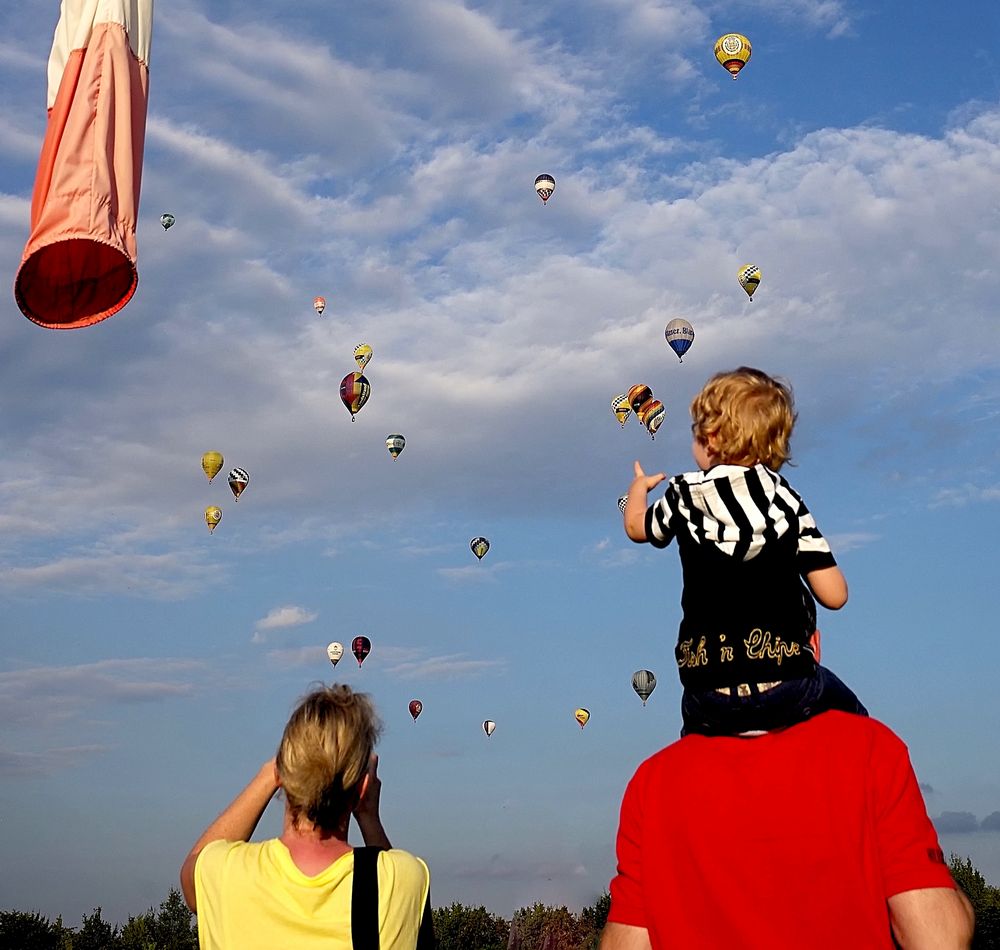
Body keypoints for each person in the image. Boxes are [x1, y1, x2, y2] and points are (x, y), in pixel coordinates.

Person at [623, 366, 866, 735]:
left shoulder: (683, 496)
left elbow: (636, 527)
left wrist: (639, 490)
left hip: (706, 688)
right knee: (856, 721)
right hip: (787, 682)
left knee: (694, 744)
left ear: (712, 439)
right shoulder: (784, 499)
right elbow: (835, 595)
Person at [601, 711, 975, 949]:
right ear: (813, 645)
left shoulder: (652, 782)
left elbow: (627, 941)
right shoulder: (870, 750)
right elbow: (937, 939)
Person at [180, 684, 434, 949]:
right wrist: (369, 816)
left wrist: (269, 774)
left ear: (285, 770)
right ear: (363, 787)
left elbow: (192, 866)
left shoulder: (223, 872)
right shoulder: (404, 878)